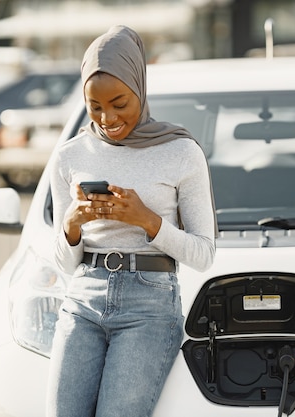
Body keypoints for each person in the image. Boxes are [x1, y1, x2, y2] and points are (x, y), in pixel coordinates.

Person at [46, 25, 216, 417]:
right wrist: (72, 225)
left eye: (120, 102)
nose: (108, 117)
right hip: (83, 300)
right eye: (95, 106)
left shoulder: (181, 151)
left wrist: (148, 221)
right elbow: (63, 263)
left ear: (140, 86)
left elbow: (204, 254)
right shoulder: (68, 156)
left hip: (150, 306)